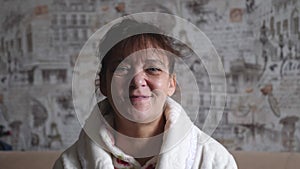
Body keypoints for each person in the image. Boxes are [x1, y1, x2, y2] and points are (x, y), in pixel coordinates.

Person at [53, 18, 238, 169]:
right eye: (122, 68)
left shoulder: (214, 161)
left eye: (152, 69)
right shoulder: (69, 163)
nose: (137, 81)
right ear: (103, 83)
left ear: (171, 84)